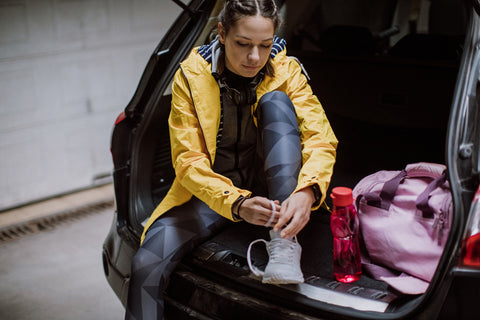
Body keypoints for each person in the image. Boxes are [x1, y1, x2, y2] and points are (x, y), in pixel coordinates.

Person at [125, 1, 338, 319]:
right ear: (222, 33)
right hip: (214, 195)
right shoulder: (191, 75)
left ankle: (284, 242)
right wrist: (237, 204)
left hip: (276, 193)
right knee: (146, 263)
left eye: (265, 45)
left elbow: (321, 138)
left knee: (277, 102)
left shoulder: (286, 70)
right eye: (243, 44)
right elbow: (188, 161)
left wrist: (307, 192)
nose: (255, 57)